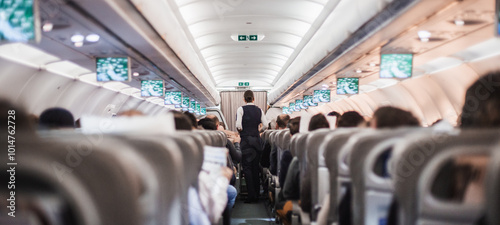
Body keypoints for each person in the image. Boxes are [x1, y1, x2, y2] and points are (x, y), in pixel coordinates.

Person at [235, 90, 268, 203]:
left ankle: (251, 196)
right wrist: (258, 130)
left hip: (246, 141)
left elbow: (238, 125)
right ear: (253, 98)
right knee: (255, 167)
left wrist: (243, 131)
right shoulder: (259, 110)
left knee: (247, 168)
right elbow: (266, 125)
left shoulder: (241, 109)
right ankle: (257, 195)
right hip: (256, 140)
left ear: (244, 99)